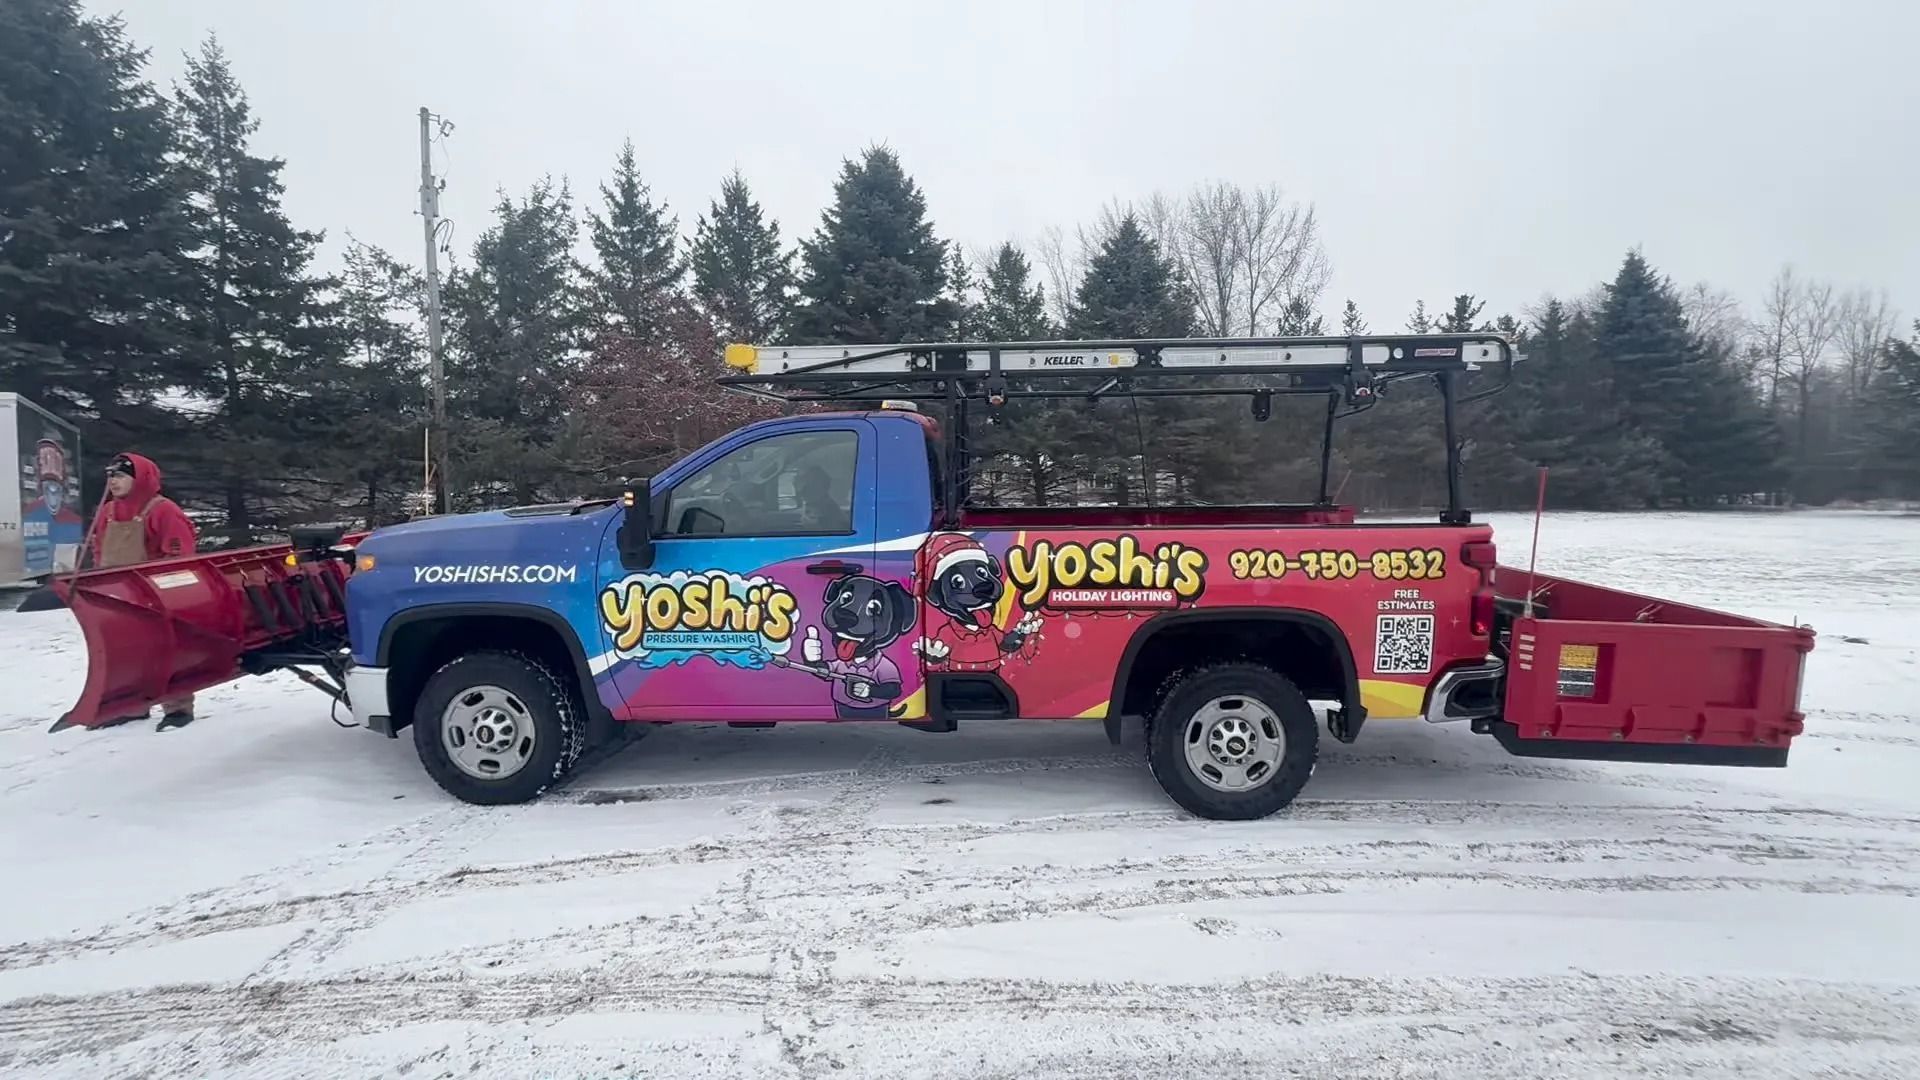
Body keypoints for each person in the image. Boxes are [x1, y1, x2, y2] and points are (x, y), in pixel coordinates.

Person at [89, 453, 199, 729]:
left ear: (140, 478)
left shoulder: (163, 510)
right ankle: (134, 706)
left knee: (169, 651)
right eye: (111, 475)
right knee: (128, 653)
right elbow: (99, 548)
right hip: (118, 595)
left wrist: (163, 591)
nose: (113, 481)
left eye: (121, 475)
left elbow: (178, 553)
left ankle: (178, 708)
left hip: (156, 594)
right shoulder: (108, 511)